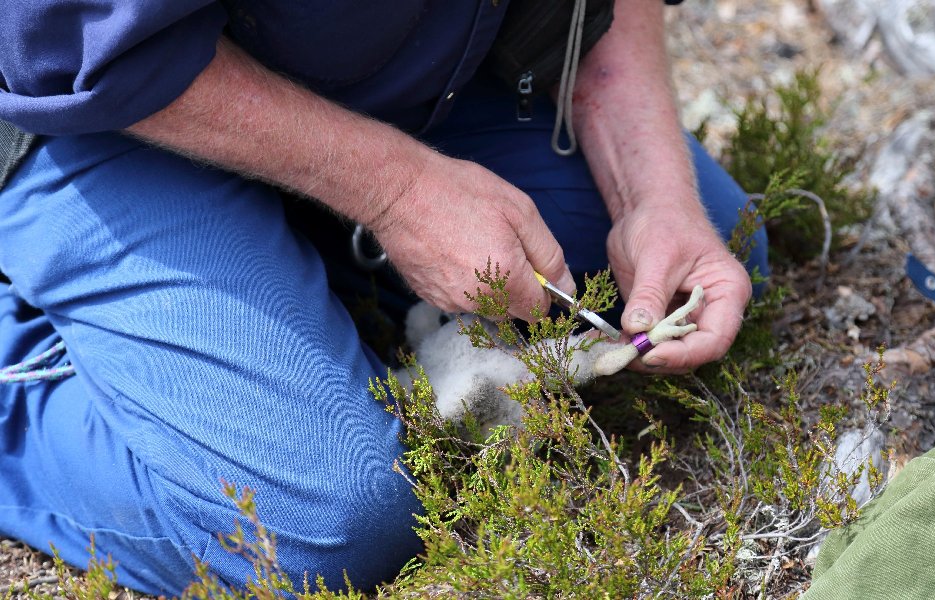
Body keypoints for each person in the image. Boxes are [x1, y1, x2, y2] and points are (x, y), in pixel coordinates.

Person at [0, 0, 766, 595]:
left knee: (700, 260)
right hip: (101, 107)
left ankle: (269, 285)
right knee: (325, 522)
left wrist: (653, 195)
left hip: (410, 74)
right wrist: (398, 192)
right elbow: (70, 31)